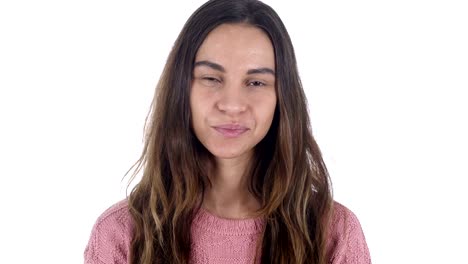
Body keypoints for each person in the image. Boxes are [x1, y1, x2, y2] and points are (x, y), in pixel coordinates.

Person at [84, 0, 371, 263]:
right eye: (211, 78)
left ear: (282, 98)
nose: (232, 105)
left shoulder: (334, 234)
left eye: (256, 82)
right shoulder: (121, 235)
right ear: (181, 89)